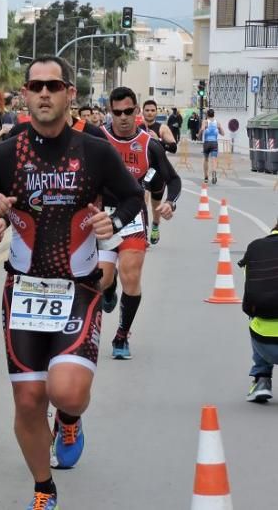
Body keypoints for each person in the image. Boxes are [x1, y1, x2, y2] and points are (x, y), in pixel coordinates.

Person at [0, 55, 143, 510]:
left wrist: (111, 220)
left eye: (53, 86)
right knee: (28, 401)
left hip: (78, 288)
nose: (43, 94)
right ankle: (43, 487)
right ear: (25, 93)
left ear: (68, 95)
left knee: (67, 392)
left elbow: (134, 196)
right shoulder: (4, 155)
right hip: (23, 292)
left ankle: (71, 420)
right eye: (35, 86)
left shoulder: (94, 150)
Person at [98, 87, 181, 360]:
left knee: (131, 276)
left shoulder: (150, 145)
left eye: (128, 111)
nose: (123, 117)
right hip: (103, 218)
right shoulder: (98, 138)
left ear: (137, 112)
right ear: (110, 112)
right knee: (103, 278)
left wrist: (170, 202)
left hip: (133, 217)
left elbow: (173, 179)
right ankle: (109, 290)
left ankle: (122, 335)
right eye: (117, 112)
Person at [239, 220, 278, 403]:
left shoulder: (255, 248)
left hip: (265, 344)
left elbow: (250, 297)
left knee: (256, 315)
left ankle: (262, 379)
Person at [138, 98, 179, 245]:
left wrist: (159, 140)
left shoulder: (162, 128)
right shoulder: (137, 128)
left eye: (152, 110)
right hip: (144, 170)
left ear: (156, 112)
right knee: (143, 198)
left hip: (158, 171)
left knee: (156, 206)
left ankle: (155, 225)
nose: (149, 113)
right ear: (142, 112)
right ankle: (143, 231)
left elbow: (173, 148)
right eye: (147, 110)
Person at [200, 108, 224, 184]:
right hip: (214, 143)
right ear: (214, 115)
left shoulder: (205, 121)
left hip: (207, 142)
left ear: (207, 115)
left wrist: (199, 134)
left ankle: (206, 177)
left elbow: (202, 129)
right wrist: (218, 129)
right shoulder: (217, 123)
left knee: (206, 159)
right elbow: (223, 133)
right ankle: (214, 172)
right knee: (214, 159)